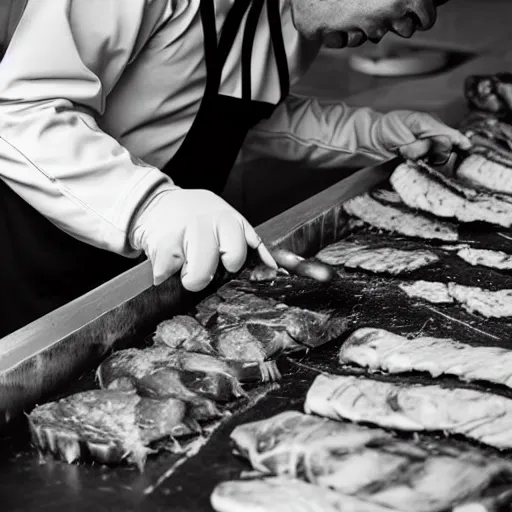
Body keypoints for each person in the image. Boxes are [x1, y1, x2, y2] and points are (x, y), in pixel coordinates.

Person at [0, 0, 469, 337]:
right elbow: (21, 112)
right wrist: (150, 206)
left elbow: (229, 115)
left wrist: (373, 133)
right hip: (42, 267)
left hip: (159, 274)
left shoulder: (289, 18)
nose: (418, 22)